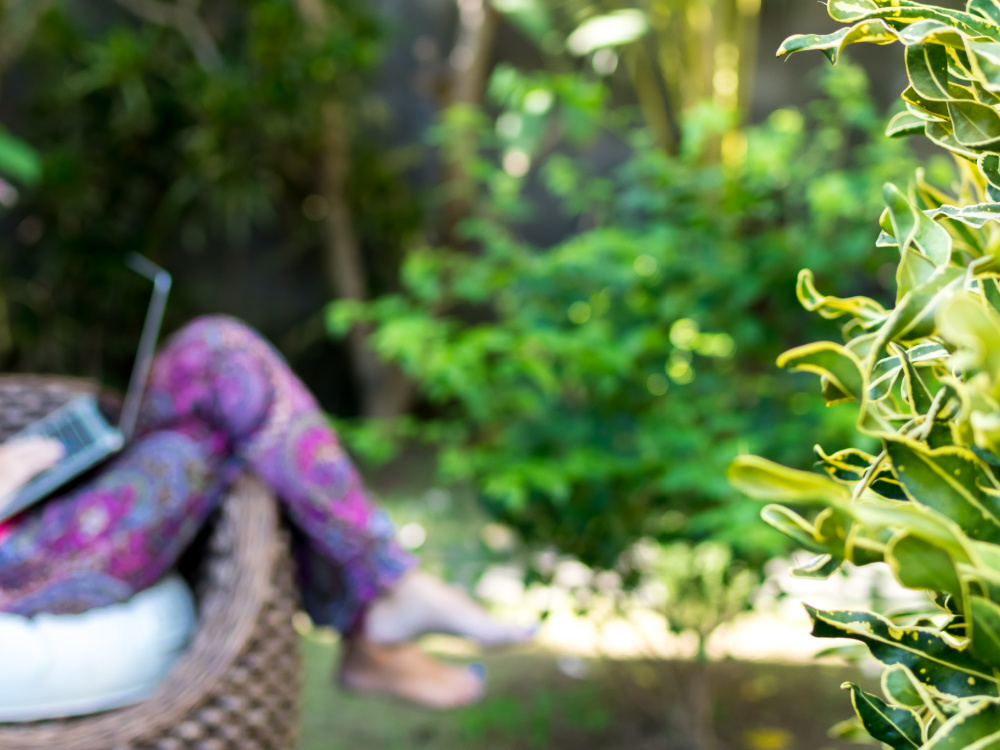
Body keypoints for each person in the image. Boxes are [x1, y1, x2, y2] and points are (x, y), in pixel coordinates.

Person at [0, 315, 532, 709]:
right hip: (15, 564)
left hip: (27, 513)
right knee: (228, 399)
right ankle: (383, 598)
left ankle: (378, 609)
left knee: (211, 349)